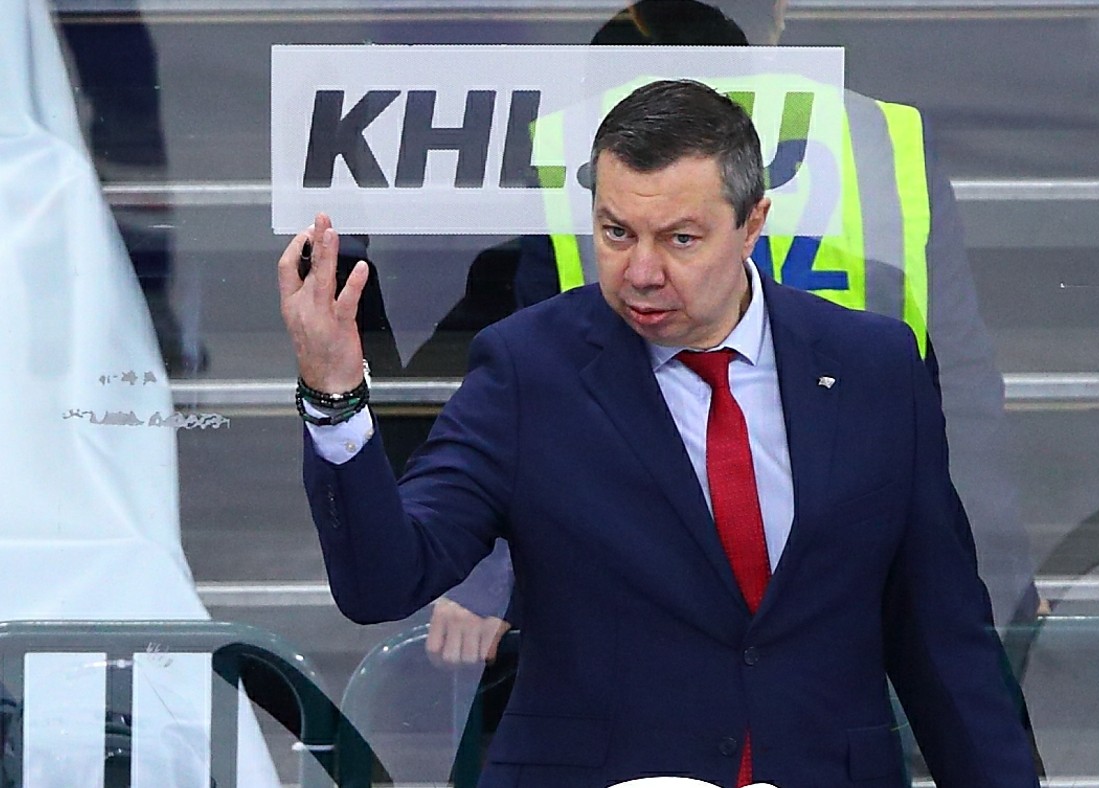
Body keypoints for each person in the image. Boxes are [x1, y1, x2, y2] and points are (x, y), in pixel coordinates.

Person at [281, 78, 1035, 786]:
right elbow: (385, 580)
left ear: (752, 224)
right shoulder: (528, 371)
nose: (640, 272)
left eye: (679, 239)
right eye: (616, 232)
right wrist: (335, 399)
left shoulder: (874, 366)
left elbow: (944, 640)